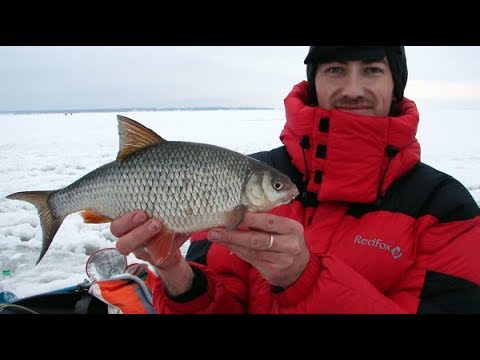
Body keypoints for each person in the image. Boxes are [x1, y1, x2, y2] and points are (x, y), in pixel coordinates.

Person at [111, 46, 480, 314]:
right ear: (314, 81)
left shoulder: (447, 208)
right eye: (335, 68)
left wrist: (305, 278)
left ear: (395, 83)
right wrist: (178, 277)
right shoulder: (240, 177)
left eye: (372, 69)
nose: (352, 89)